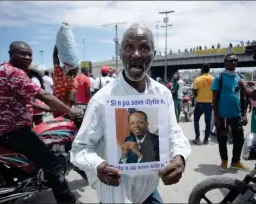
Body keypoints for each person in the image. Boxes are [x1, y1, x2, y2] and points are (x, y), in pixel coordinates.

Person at [70, 23, 191, 203]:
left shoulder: (162, 94)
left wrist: (180, 157)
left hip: (148, 190)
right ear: (121, 54)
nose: (136, 54)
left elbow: (173, 133)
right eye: (129, 47)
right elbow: (80, 149)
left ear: (153, 55)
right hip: (114, 194)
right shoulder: (102, 99)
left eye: (144, 47)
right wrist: (98, 166)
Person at [0, 41, 81, 204]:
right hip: (14, 131)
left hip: (0, 130)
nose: (27, 57)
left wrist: (46, 109)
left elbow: (19, 97)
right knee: (53, 164)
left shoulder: (1, 70)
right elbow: (44, 95)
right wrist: (71, 111)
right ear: (11, 53)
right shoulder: (15, 73)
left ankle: (32, 177)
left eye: (30, 54)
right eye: (22, 53)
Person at [211, 53, 249, 172]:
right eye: (230, 61)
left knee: (240, 139)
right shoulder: (219, 77)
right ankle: (224, 161)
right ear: (225, 63)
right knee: (223, 139)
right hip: (223, 116)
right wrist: (216, 117)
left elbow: (243, 97)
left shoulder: (240, 77)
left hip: (236, 115)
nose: (233, 63)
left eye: (235, 60)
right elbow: (214, 99)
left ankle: (235, 161)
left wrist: (244, 114)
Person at [52, 45, 79, 118]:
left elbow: (55, 58)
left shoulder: (58, 73)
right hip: (65, 110)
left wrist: (57, 47)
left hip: (55, 107)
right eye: (76, 69)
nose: (77, 71)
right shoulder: (73, 82)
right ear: (72, 70)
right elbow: (71, 99)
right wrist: (79, 104)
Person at [192, 64, 214, 145]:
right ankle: (206, 139)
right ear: (209, 69)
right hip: (209, 103)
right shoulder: (213, 79)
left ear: (202, 69)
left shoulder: (198, 79)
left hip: (200, 103)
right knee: (208, 122)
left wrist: (197, 97)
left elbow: (194, 91)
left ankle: (197, 138)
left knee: (196, 120)